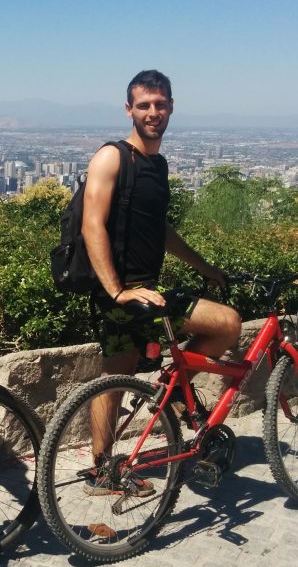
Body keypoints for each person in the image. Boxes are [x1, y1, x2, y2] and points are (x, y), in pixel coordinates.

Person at [82, 69, 241, 497]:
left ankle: (172, 387)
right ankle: (101, 472)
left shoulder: (157, 164)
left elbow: (160, 229)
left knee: (226, 324)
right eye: (145, 105)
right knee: (115, 376)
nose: (153, 112)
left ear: (171, 106)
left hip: (150, 290)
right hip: (119, 292)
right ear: (129, 109)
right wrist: (117, 290)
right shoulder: (113, 157)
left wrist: (204, 266)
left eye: (160, 104)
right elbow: (91, 225)